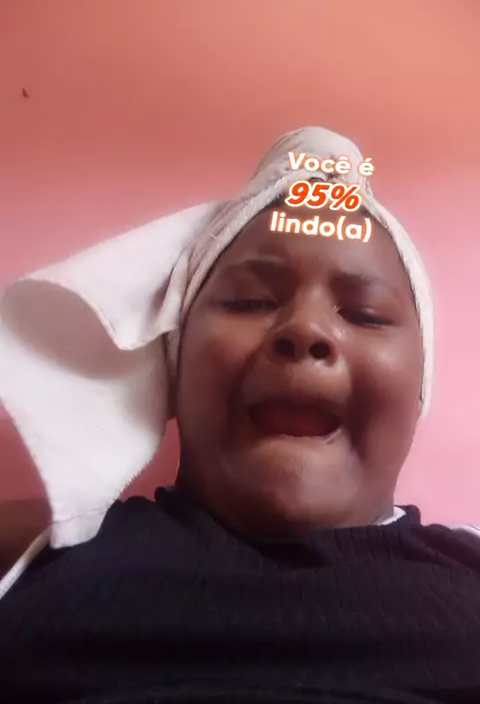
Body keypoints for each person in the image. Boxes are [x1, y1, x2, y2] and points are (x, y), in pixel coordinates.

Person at [0, 126, 479, 704]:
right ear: (176, 362)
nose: (305, 329)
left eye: (366, 314)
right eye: (251, 301)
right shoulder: (41, 550)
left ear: (419, 387)